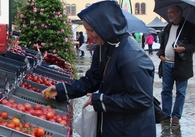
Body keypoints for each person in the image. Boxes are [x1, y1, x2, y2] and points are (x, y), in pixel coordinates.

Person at [42, 1, 156, 136]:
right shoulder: (103, 48)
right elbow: (92, 79)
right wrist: (62, 89)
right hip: (112, 124)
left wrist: (100, 100)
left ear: (105, 27)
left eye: (90, 30)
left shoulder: (131, 56)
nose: (88, 35)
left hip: (131, 129)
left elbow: (141, 100)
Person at [156, 4, 195, 126]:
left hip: (182, 65)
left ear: (179, 12)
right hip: (167, 63)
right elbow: (162, 45)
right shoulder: (167, 27)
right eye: (168, 12)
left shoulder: (189, 27)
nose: (169, 15)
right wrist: (161, 54)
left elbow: (193, 46)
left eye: (171, 12)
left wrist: (184, 48)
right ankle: (166, 114)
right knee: (166, 90)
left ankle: (176, 116)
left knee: (181, 92)